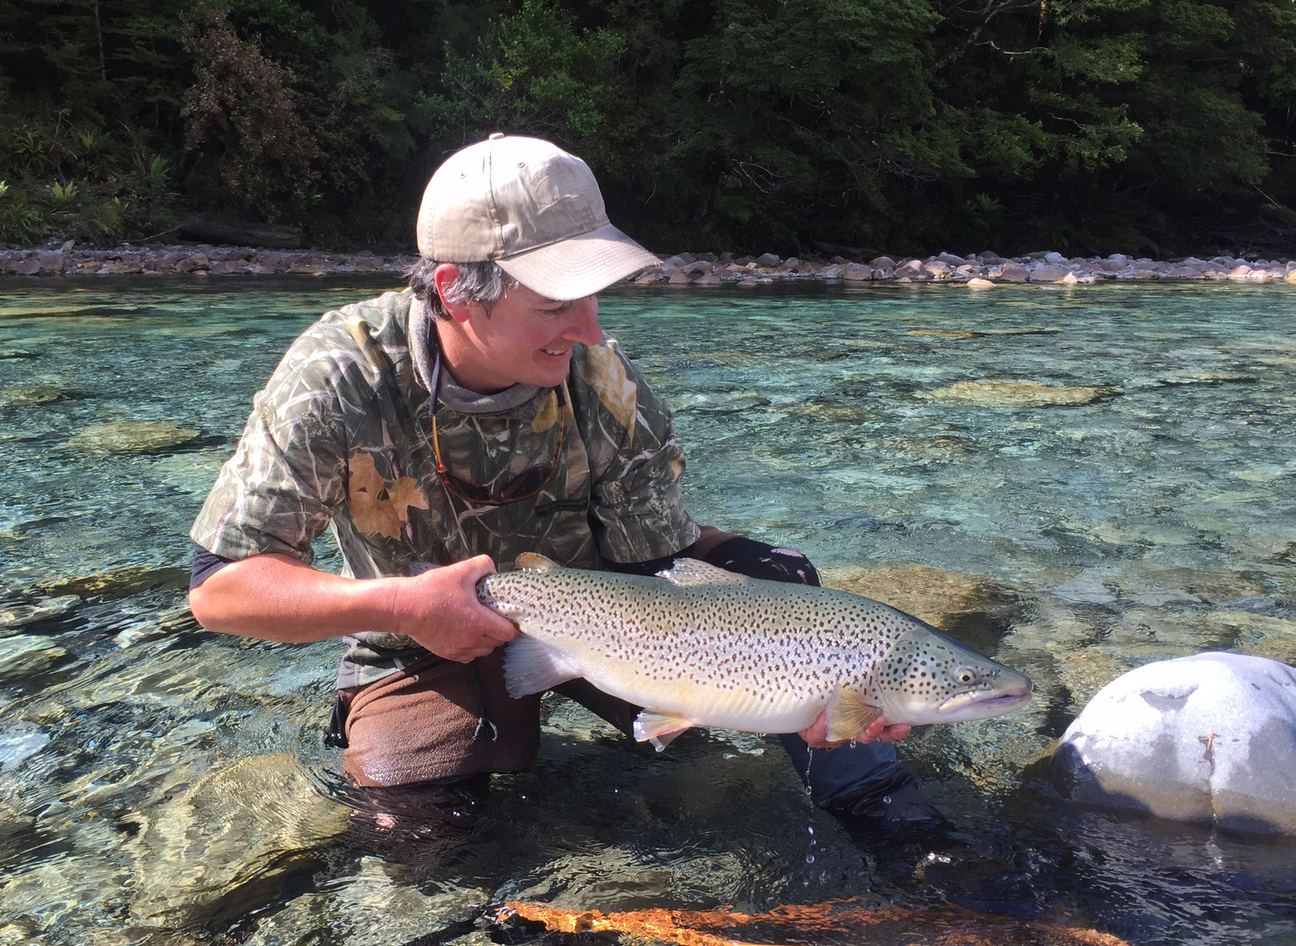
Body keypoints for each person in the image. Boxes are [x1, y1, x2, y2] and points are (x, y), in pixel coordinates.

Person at [187, 133, 940, 843]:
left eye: (594, 294)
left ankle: (906, 840)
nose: (588, 329)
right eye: (554, 304)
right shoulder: (338, 378)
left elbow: (660, 562)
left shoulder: (604, 379)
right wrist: (397, 605)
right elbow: (220, 591)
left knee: (777, 641)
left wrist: (792, 648)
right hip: (418, 640)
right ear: (454, 290)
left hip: (620, 625)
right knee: (415, 836)